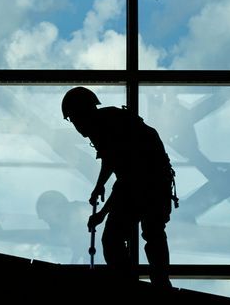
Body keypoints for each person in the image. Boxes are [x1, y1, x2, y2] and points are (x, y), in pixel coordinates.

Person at [61, 87, 175, 289]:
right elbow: (114, 163)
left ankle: (132, 283)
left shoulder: (108, 126)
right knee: (152, 232)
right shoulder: (111, 122)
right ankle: (158, 282)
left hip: (149, 183)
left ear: (83, 112)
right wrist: (99, 187)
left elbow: (127, 176)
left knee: (122, 237)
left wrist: (103, 210)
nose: (76, 126)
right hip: (156, 183)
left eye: (74, 118)